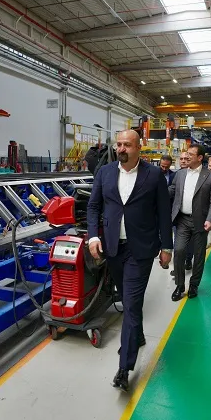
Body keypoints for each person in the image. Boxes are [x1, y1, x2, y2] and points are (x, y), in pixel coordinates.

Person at [87, 130, 173, 392]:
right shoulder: (105, 173)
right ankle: (139, 335)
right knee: (126, 298)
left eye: (127, 145)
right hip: (113, 247)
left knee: (132, 304)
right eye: (119, 144)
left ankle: (124, 367)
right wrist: (93, 237)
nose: (121, 149)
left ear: (139, 148)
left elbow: (163, 212)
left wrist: (167, 246)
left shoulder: (154, 175)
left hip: (141, 249)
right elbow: (94, 206)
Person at [168, 145, 211, 301]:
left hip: (200, 221)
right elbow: (172, 190)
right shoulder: (180, 174)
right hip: (182, 220)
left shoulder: (210, 176)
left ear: (200, 158)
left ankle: (194, 284)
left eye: (190, 154)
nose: (186, 157)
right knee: (179, 251)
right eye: (186, 154)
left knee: (199, 255)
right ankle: (179, 285)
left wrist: (210, 219)